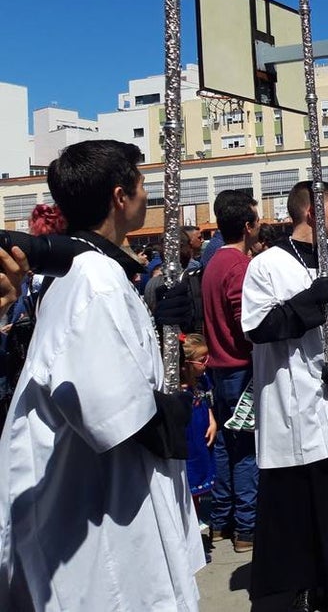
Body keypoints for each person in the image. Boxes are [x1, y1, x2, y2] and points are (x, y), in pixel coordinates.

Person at [0, 140, 205, 610]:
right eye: (141, 183)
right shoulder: (95, 276)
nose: (147, 194)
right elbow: (114, 414)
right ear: (120, 196)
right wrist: (173, 412)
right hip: (99, 511)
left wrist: (154, 320)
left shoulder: (89, 271)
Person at [242, 181, 328, 612]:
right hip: (293, 403)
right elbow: (259, 328)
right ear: (310, 213)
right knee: (300, 502)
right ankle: (302, 584)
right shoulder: (267, 266)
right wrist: (308, 302)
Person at [202, 189, 261, 554]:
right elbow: (247, 324)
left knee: (226, 446)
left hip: (220, 369)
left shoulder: (213, 264)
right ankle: (247, 528)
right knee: (245, 450)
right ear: (246, 225)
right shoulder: (238, 266)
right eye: (256, 219)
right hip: (240, 368)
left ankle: (221, 523)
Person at [181, 333, 217, 560]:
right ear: (186, 364)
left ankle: (194, 535)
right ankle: (189, 540)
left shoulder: (203, 381)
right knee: (187, 491)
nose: (206, 364)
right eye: (201, 360)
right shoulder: (179, 389)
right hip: (189, 445)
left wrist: (212, 420)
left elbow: (208, 401)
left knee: (199, 493)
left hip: (202, 440)